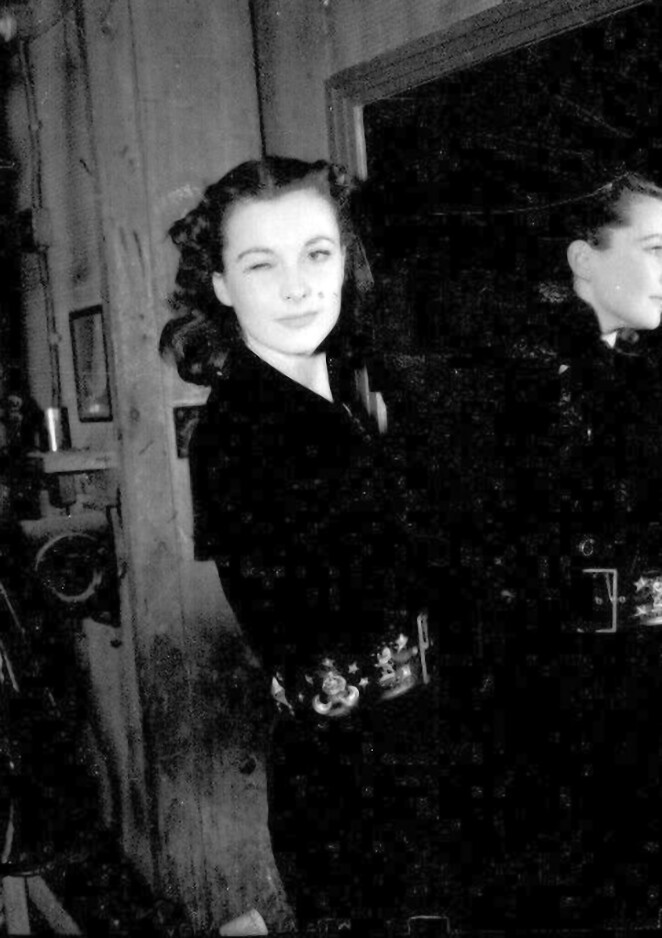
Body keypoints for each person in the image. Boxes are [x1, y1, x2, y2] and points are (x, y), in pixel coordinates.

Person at [159, 157, 447, 933]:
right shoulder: (241, 432)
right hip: (361, 782)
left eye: (317, 254)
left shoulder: (343, 396)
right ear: (221, 285)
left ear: (345, 260)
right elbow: (331, 624)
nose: (297, 287)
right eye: (261, 264)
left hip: (410, 757)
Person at [478, 170, 662, 928]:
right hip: (565, 703)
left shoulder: (637, 365)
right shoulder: (520, 381)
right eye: (656, 248)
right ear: (584, 259)